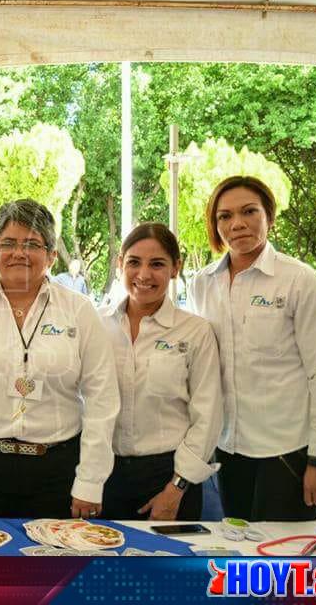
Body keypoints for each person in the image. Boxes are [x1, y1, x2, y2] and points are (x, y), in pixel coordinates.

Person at [0, 199, 119, 519]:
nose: (19, 252)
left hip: (58, 470)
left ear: (52, 255)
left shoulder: (80, 311)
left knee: (53, 564)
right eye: (8, 243)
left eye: (32, 244)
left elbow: (102, 399)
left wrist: (90, 481)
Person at [189, 175, 316, 521]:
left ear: (269, 217)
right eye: (225, 216)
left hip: (288, 453)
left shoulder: (301, 282)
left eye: (250, 211)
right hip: (227, 451)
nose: (237, 224)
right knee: (237, 556)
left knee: (281, 565)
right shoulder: (202, 284)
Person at [98, 223, 222, 521]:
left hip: (168, 477)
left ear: (175, 268)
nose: (143, 274)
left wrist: (176, 488)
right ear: (120, 264)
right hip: (104, 475)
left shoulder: (195, 331)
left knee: (168, 564)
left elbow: (207, 416)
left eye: (157, 264)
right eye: (134, 262)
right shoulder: (97, 325)